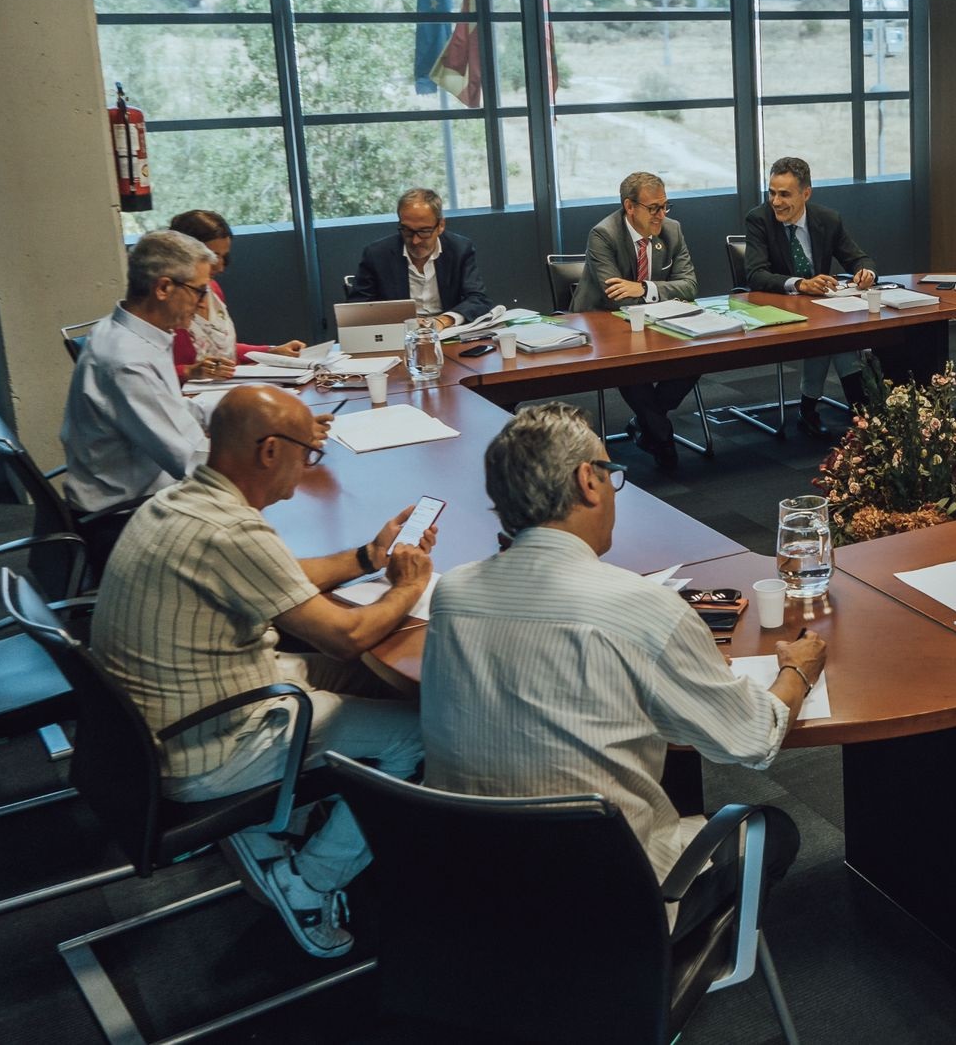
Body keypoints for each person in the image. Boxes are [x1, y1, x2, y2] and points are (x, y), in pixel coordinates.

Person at [421, 403, 826, 933]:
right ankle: (647, 979)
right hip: (606, 904)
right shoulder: (643, 608)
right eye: (612, 474)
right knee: (773, 829)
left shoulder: (452, 594)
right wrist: (797, 670)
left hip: (468, 887)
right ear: (588, 482)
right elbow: (752, 739)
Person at [89, 385, 433, 959]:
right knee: (428, 735)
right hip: (210, 747)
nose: (308, 468)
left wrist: (369, 558)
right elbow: (345, 638)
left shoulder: (183, 501)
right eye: (308, 453)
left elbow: (280, 574)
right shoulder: (233, 532)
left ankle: (270, 825)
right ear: (270, 451)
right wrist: (410, 587)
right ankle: (310, 881)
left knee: (381, 684)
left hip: (170, 717)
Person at [60, 230, 218, 519]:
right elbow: (190, 462)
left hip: (147, 490)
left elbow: (173, 408)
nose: (203, 303)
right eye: (199, 291)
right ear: (164, 288)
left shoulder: (131, 333)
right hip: (127, 515)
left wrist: (234, 409)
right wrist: (267, 450)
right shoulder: (127, 361)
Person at [572, 171, 700, 472]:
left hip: (656, 319)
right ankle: (662, 436)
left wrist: (645, 288)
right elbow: (617, 295)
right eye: (653, 208)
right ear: (630, 207)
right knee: (631, 365)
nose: (661, 215)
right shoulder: (603, 234)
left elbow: (690, 285)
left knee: (698, 355)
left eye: (665, 206)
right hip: (602, 321)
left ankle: (647, 423)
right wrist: (648, 293)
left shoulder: (672, 230)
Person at [742, 156, 875, 439]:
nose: (776, 201)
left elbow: (858, 257)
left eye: (784, 194)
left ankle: (814, 408)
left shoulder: (827, 219)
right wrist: (800, 284)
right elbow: (755, 275)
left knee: (835, 330)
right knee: (838, 334)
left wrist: (866, 272)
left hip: (821, 308)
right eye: (772, 192)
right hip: (779, 307)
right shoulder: (759, 219)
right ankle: (861, 409)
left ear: (806, 193)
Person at [166, 209, 305, 384]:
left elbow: (222, 351)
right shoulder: (168, 305)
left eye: (225, 257)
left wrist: (270, 352)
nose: (220, 267)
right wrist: (190, 371)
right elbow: (153, 374)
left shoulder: (213, 290)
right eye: (213, 257)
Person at [347, 186, 492, 325]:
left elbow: (478, 299)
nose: (415, 240)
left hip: (447, 331)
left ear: (440, 226)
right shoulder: (377, 254)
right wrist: (401, 321)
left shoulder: (459, 249)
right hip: (401, 335)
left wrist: (444, 320)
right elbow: (358, 308)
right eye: (407, 231)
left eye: (424, 231)